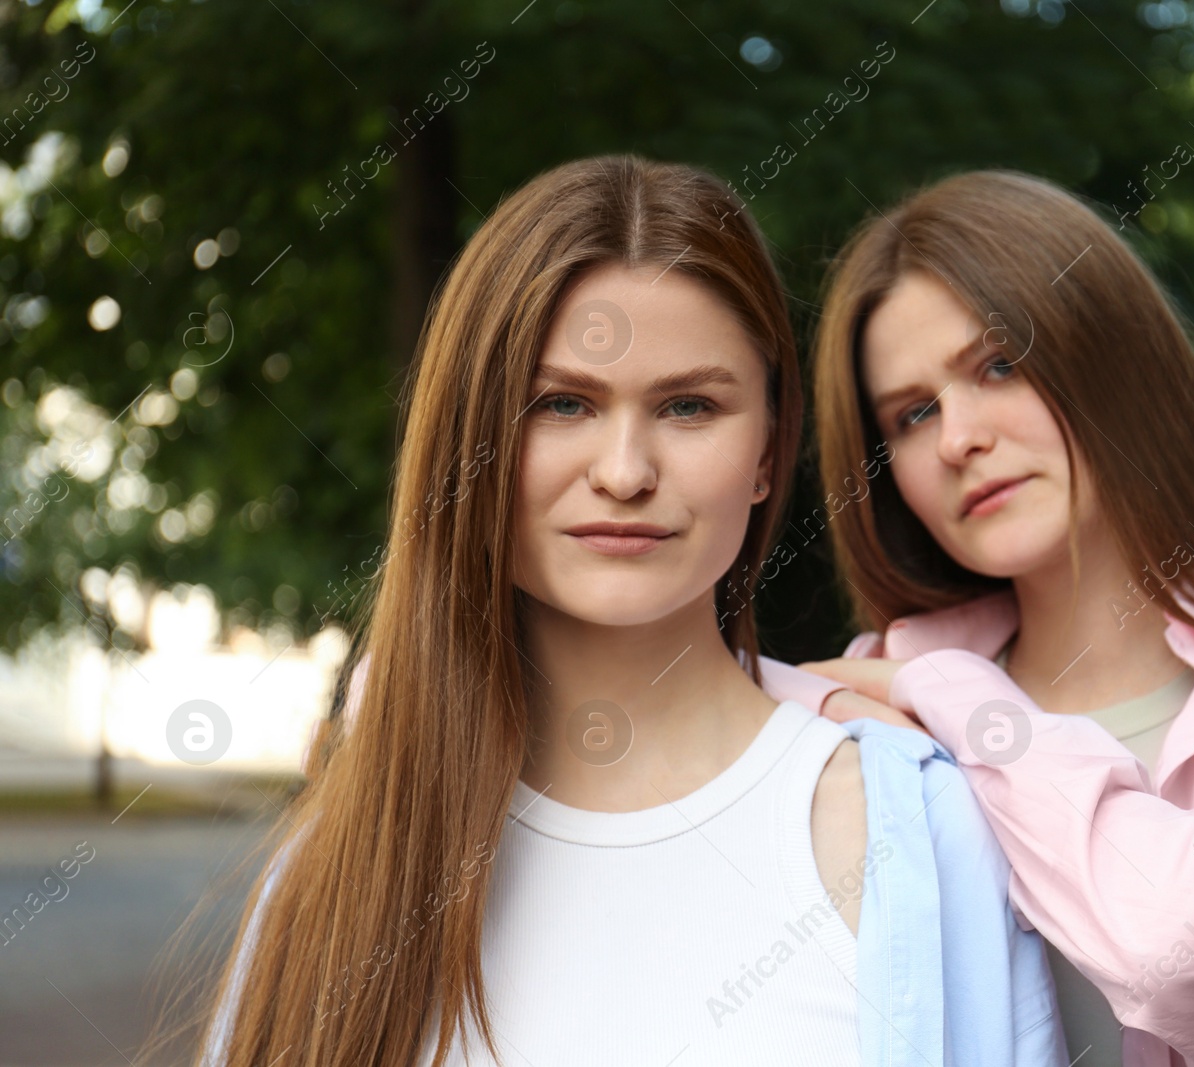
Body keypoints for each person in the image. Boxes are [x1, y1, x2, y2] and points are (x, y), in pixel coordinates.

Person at [196, 156, 1066, 1066]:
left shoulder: (915, 829)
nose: (624, 471)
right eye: (561, 403)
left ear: (769, 452)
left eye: (689, 406)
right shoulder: (342, 861)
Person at [756, 169, 1194, 1067]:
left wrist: (955, 698)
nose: (956, 438)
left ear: (1114, 357)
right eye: (911, 415)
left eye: (1001, 364)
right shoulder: (859, 692)